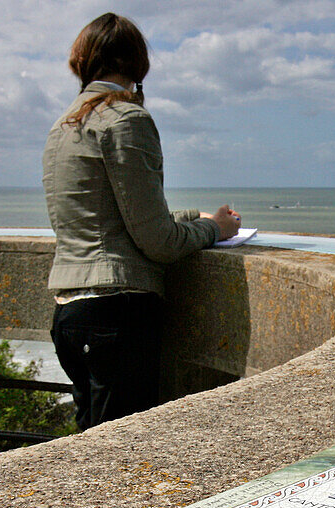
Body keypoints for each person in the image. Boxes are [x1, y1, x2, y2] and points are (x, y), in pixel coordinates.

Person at [43, 13, 240, 430]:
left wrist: (192, 216)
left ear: (81, 62)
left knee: (88, 458)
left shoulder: (63, 126)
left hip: (70, 316)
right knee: (122, 461)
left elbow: (110, 214)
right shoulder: (126, 120)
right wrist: (214, 230)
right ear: (137, 64)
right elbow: (159, 243)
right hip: (118, 317)